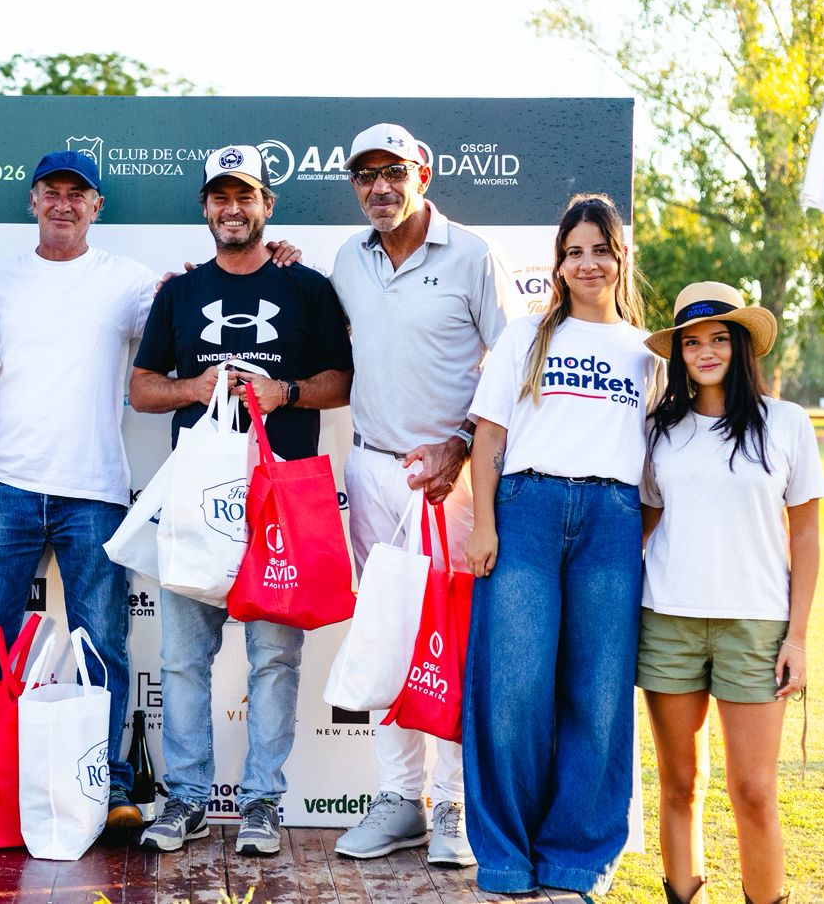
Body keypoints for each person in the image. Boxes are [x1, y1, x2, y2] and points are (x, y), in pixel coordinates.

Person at [0, 151, 300, 833]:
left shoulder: (132, 283)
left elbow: (199, 302)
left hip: (95, 489)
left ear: (96, 206)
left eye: (77, 193)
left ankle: (111, 785)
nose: (63, 204)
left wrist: (274, 261)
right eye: (51, 192)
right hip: (3, 485)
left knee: (105, 645)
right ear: (33, 202)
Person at [129, 144, 353, 857]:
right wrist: (193, 388)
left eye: (245, 196)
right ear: (205, 208)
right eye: (220, 197)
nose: (233, 209)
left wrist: (286, 391)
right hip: (198, 499)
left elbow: (341, 382)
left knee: (274, 659)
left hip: (280, 501)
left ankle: (262, 801)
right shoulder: (179, 293)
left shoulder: (308, 287)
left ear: (267, 206)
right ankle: (187, 799)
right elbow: (141, 389)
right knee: (182, 660)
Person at [462, 193, 658, 895]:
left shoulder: (648, 353)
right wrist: (484, 524)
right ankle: (506, 856)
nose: (587, 263)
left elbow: (656, 462)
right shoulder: (525, 336)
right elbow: (490, 436)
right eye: (574, 252)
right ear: (559, 263)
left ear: (621, 256)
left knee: (598, 694)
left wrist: (633, 531)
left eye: (600, 250)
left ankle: (575, 858)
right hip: (527, 512)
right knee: (512, 690)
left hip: (612, 518)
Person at [329, 123, 511, 867]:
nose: (379, 187)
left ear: (422, 174)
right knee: (389, 634)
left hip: (450, 481)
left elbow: (513, 366)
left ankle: (457, 807)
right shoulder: (348, 258)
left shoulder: (472, 254)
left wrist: (462, 443)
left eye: (393, 173)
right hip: (373, 471)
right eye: (365, 176)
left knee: (451, 638)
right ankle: (400, 800)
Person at [638, 282, 822, 904]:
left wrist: (798, 637)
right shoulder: (660, 430)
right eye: (692, 343)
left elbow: (806, 536)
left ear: (742, 345)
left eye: (719, 338)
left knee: (754, 791)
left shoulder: (787, 424)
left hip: (757, 626)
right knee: (680, 784)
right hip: (668, 623)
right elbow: (642, 524)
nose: (706, 352)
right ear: (679, 355)